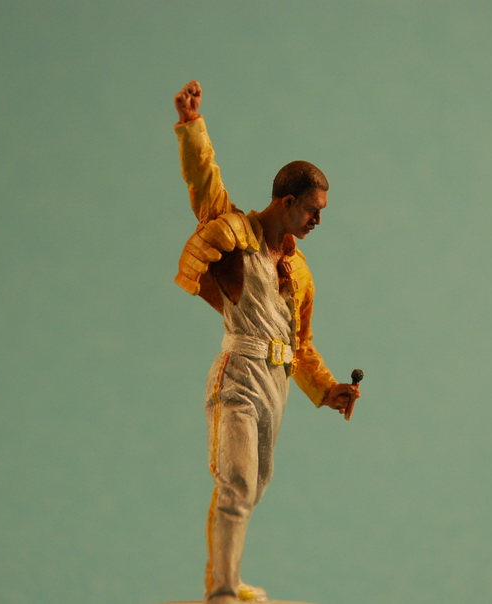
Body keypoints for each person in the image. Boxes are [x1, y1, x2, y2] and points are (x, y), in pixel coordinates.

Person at [172, 80, 361, 604]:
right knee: (234, 480)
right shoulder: (238, 234)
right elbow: (205, 184)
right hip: (238, 374)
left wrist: (327, 388)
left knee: (253, 486)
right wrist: (192, 125)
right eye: (312, 209)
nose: (318, 220)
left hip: (275, 386)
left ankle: (225, 576)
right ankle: (222, 591)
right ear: (286, 201)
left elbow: (301, 343)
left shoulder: (299, 271)